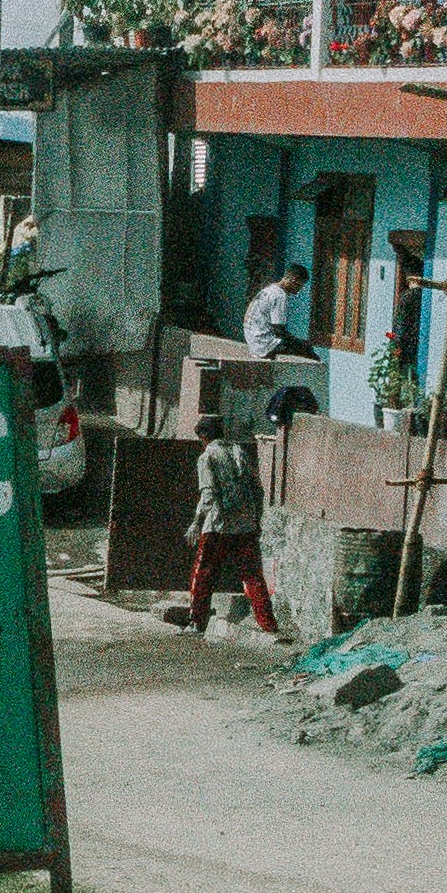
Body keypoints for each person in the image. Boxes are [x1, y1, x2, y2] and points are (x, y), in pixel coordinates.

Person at [182, 401, 278, 636]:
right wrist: (255, 519)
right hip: (245, 526)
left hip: (218, 526)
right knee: (253, 576)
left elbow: (208, 494)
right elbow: (258, 490)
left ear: (204, 436)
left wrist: (196, 522)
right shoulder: (238, 451)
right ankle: (269, 626)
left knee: (203, 574)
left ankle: (196, 624)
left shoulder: (207, 457)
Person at [244, 263, 314, 361]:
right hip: (264, 344)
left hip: (252, 339)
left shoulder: (269, 289)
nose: (299, 290)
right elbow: (279, 331)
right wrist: (301, 343)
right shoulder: (280, 295)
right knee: (308, 350)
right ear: (293, 280)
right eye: (299, 286)